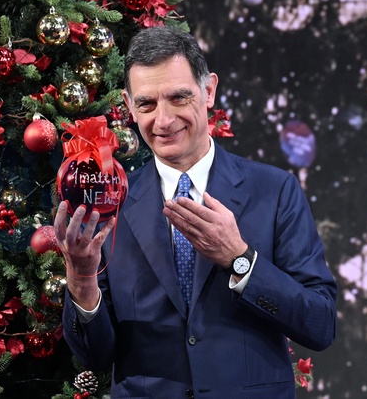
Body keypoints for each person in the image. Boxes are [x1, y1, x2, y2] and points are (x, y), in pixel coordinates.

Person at [55, 25, 337, 399]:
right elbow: (94, 355)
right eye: (147, 104)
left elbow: (320, 324)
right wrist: (81, 278)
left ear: (208, 91)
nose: (163, 120)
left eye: (178, 97)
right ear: (129, 106)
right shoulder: (109, 202)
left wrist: (240, 260)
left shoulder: (275, 190)